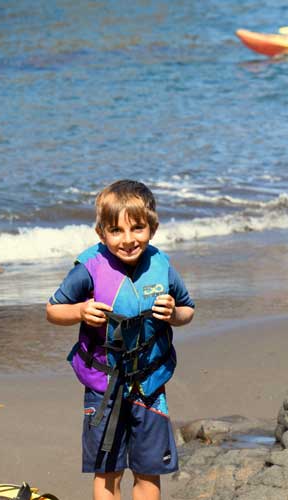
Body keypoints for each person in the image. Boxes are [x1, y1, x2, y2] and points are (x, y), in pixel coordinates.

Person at [45, 180, 195, 500]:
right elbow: (53, 311)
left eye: (137, 228)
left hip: (149, 386)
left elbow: (187, 312)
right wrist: (81, 311)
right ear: (102, 233)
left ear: (152, 228)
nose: (128, 240)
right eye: (116, 231)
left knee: (148, 469)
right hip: (104, 385)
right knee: (108, 469)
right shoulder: (88, 269)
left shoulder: (162, 267)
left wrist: (172, 314)